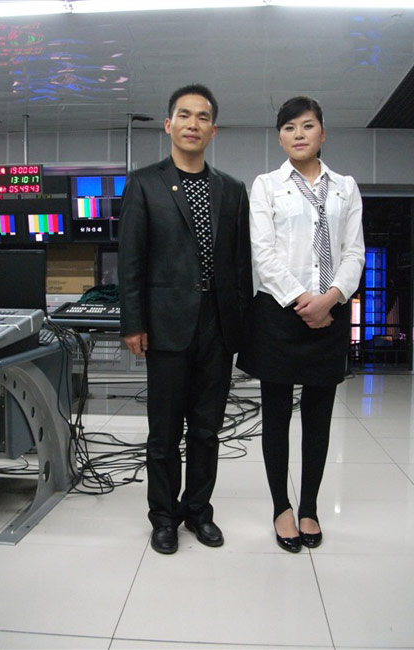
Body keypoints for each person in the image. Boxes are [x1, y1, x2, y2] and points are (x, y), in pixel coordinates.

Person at [118, 84, 253, 554]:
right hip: (166, 325)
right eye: (184, 115)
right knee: (164, 432)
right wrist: (133, 322)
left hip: (218, 327)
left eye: (203, 117)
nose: (193, 124)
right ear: (168, 124)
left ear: (213, 130)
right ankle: (163, 516)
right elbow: (130, 260)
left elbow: (241, 266)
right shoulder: (144, 183)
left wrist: (241, 328)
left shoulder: (232, 190)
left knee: (206, 430)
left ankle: (197, 510)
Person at [237, 96, 364, 553]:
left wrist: (330, 297)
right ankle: (281, 508)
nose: (298, 134)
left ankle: (309, 507)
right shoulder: (267, 185)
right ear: (280, 137)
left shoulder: (346, 187)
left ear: (322, 133)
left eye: (307, 126)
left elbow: (354, 252)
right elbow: (263, 253)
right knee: (275, 416)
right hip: (279, 312)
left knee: (318, 417)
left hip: (330, 312)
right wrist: (302, 300)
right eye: (289, 127)